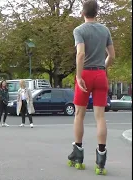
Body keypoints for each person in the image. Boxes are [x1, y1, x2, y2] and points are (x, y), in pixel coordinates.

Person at [67, 0, 115, 174]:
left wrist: (79, 76)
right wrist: (102, 67)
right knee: (100, 117)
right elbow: (112, 55)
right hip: (101, 74)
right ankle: (101, 159)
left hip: (85, 74)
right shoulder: (105, 30)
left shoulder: (79, 30)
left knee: (79, 114)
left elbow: (80, 54)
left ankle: (78, 154)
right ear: (97, 12)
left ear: (82, 13)